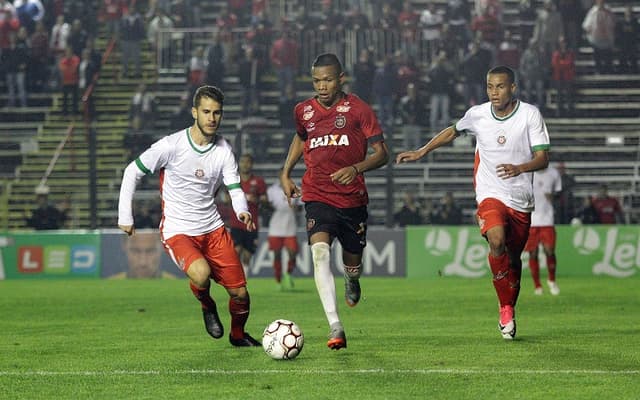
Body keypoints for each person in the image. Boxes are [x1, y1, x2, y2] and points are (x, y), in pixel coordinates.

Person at [396, 66, 550, 340]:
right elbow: (452, 131)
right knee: (497, 240)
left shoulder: (529, 115)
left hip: (520, 199)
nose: (494, 92)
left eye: (500, 86)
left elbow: (543, 158)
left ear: (512, 88)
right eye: (490, 86)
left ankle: (509, 305)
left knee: (513, 261)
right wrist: (422, 151)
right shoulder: (478, 114)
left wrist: (520, 168)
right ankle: (505, 309)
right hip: (490, 191)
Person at [118, 85, 262, 347]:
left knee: (240, 293)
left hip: (213, 230)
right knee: (200, 273)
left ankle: (238, 336)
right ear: (194, 112)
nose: (212, 118)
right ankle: (207, 305)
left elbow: (234, 187)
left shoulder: (223, 151)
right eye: (206, 111)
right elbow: (132, 171)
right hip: (178, 231)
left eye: (217, 113)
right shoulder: (171, 145)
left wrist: (242, 210)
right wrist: (125, 216)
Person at [280, 53, 389, 350]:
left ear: (341, 78)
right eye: (316, 81)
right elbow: (301, 138)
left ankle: (352, 279)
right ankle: (335, 325)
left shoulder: (358, 110)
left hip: (352, 199)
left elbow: (382, 153)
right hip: (317, 194)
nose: (322, 86)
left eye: (327, 80)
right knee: (319, 254)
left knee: (352, 260)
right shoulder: (303, 110)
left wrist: (355, 168)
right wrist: (286, 172)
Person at [524, 165, 562, 296]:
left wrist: (553, 198)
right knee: (532, 253)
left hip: (547, 219)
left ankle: (552, 280)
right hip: (531, 219)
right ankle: (537, 286)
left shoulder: (553, 173)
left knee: (549, 251)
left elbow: (560, 194)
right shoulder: (527, 171)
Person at [226, 154, 267, 270]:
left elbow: (265, 201)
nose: (245, 164)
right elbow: (226, 199)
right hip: (236, 224)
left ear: (251, 164)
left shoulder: (258, 182)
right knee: (236, 252)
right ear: (239, 164)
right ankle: (237, 282)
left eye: (248, 162)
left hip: (252, 224)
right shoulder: (233, 181)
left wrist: (258, 200)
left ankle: (244, 281)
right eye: (243, 161)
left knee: (247, 257)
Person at [266, 177, 301, 290]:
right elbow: (266, 207)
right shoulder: (272, 190)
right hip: (275, 227)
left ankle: (288, 273)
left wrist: (296, 207)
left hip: (290, 226)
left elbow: (300, 207)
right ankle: (278, 280)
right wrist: (268, 205)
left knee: (293, 253)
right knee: (276, 255)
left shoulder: (296, 188)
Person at [110, 231, 177, 279]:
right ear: (124, 246)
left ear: (163, 246)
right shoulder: (111, 284)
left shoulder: (175, 285)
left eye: (150, 251)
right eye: (135, 251)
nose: (143, 262)